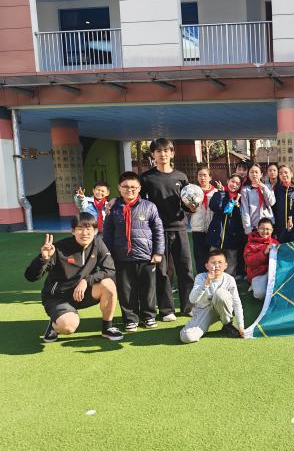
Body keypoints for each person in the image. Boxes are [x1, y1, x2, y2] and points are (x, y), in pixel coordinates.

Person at [24, 213, 122, 343]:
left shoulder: (98, 244)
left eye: (89, 229)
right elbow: (30, 276)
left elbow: (109, 270)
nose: (84, 233)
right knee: (68, 326)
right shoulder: (59, 248)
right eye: (80, 229)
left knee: (108, 284)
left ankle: (107, 328)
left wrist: (86, 281)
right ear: (73, 231)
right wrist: (44, 258)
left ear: (95, 231)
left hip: (81, 293)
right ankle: (55, 323)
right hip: (59, 297)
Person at [139, 138, 194, 321]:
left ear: (172, 153)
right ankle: (166, 310)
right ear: (153, 155)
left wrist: (192, 207)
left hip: (179, 228)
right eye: (158, 151)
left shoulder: (181, 177)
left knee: (185, 268)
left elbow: (187, 203)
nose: (162, 154)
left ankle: (187, 306)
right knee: (162, 271)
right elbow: (139, 202)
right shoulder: (146, 178)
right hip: (157, 231)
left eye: (166, 151)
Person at [102, 172, 164, 332]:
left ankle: (148, 316)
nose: (130, 190)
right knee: (126, 290)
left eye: (133, 187)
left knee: (148, 289)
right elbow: (107, 233)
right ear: (119, 188)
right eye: (126, 187)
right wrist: (108, 255)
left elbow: (158, 231)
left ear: (139, 188)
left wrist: (158, 252)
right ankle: (130, 319)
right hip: (122, 256)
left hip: (146, 256)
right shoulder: (113, 208)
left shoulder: (149, 206)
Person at [179, 249, 245, 343]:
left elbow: (236, 303)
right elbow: (192, 300)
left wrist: (241, 326)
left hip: (223, 310)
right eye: (213, 263)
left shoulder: (229, 279)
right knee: (187, 337)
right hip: (204, 311)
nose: (216, 265)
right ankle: (201, 327)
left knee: (221, 293)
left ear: (225, 265)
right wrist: (206, 283)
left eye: (220, 262)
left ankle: (227, 325)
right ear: (207, 266)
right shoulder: (200, 277)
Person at [207, 174, 244, 277]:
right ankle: (213, 279)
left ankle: (228, 281)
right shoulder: (221, 193)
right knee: (214, 258)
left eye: (237, 183)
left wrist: (237, 207)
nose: (234, 185)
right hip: (217, 234)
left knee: (231, 260)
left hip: (232, 235)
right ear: (228, 181)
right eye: (233, 181)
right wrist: (221, 193)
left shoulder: (241, 198)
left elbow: (241, 218)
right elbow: (214, 206)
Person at [243, 218, 279, 299]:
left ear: (272, 230)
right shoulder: (250, 244)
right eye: (262, 228)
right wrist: (264, 253)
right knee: (260, 294)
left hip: (273, 274)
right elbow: (250, 262)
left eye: (268, 229)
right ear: (257, 229)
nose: (265, 231)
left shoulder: (275, 243)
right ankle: (253, 285)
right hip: (258, 274)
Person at [190, 167, 217, 273]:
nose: (202, 178)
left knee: (213, 257)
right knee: (200, 257)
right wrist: (190, 209)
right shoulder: (192, 192)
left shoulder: (216, 192)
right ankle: (201, 278)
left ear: (210, 177)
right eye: (200, 175)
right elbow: (187, 210)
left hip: (212, 229)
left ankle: (214, 278)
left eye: (205, 175)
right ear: (197, 177)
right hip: (198, 229)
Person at [240, 163, 276, 235]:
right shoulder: (245, 190)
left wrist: (264, 188)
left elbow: (271, 203)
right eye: (252, 172)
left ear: (261, 174)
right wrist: (247, 228)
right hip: (253, 226)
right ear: (248, 174)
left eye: (256, 172)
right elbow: (245, 210)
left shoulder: (268, 187)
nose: (254, 174)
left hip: (268, 224)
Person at [273, 165, 294, 242]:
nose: (284, 175)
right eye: (281, 173)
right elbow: (274, 209)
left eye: (286, 172)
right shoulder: (276, 190)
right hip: (280, 229)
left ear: (291, 174)